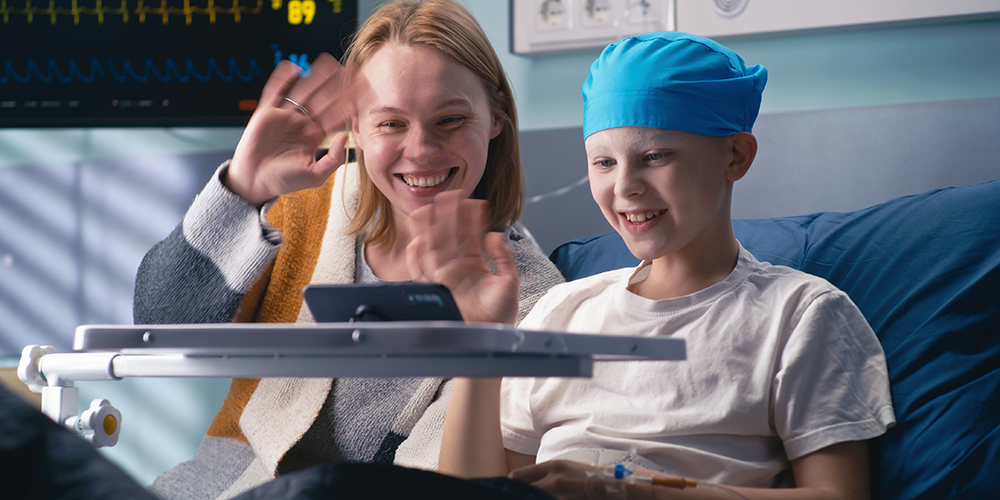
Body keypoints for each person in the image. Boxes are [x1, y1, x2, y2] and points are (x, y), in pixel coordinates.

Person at [417, 32, 895, 499]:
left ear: (736, 155)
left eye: (655, 156)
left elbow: (839, 492)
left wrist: (632, 488)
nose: (626, 187)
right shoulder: (561, 310)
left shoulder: (800, 316)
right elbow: (476, 490)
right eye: (604, 163)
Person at [133, 1, 564, 498]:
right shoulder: (304, 208)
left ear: (496, 118)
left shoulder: (527, 299)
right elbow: (159, 330)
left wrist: (480, 339)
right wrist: (241, 189)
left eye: (450, 120)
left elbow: (447, 485)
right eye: (391, 124)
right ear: (356, 127)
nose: (421, 149)